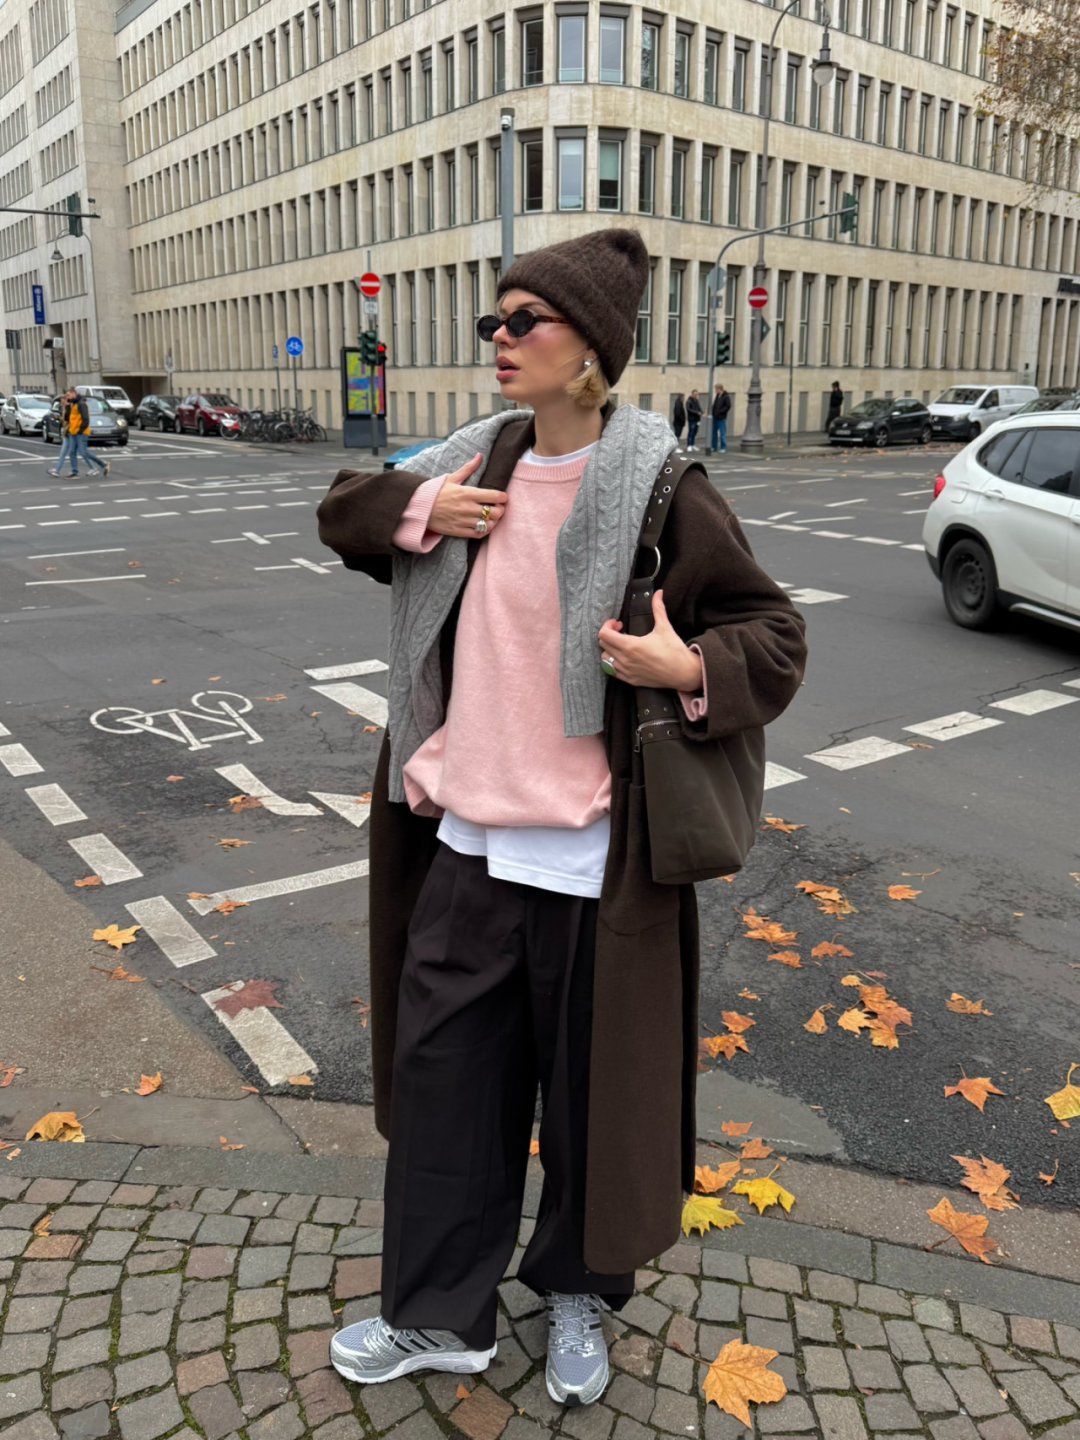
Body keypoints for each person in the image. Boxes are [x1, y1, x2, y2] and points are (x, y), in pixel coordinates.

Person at [316, 227, 806, 1410]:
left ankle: (579, 1291)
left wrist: (684, 665)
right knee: (448, 1093)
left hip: (596, 860)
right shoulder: (471, 461)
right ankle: (439, 1316)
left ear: (590, 347)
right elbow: (341, 514)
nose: (498, 337)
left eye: (523, 320)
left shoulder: (662, 488)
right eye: (495, 318)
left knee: (594, 1105)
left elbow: (773, 635)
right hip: (466, 845)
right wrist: (424, 507)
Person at [69, 391, 109, 478]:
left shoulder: (81, 404)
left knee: (84, 452)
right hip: (73, 432)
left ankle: (103, 464)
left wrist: (80, 430)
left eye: (69, 395)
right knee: (72, 452)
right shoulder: (73, 404)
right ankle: (74, 472)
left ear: (74, 394)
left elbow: (85, 419)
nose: (68, 397)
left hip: (81, 432)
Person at [48, 388, 78, 477]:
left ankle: (97, 466)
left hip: (71, 433)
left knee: (81, 453)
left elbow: (69, 420)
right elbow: (65, 420)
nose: (61, 402)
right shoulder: (65, 408)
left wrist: (64, 411)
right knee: (64, 453)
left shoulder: (70, 407)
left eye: (63, 399)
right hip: (67, 434)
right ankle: (57, 470)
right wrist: (58, 417)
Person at [711, 384, 731, 453]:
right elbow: (714, 405)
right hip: (715, 417)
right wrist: (712, 412)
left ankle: (723, 447)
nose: (715, 390)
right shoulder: (717, 396)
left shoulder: (725, 396)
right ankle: (714, 447)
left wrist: (721, 411)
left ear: (720, 389)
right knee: (714, 433)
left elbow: (728, 406)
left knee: (722, 433)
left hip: (721, 417)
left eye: (716, 389)